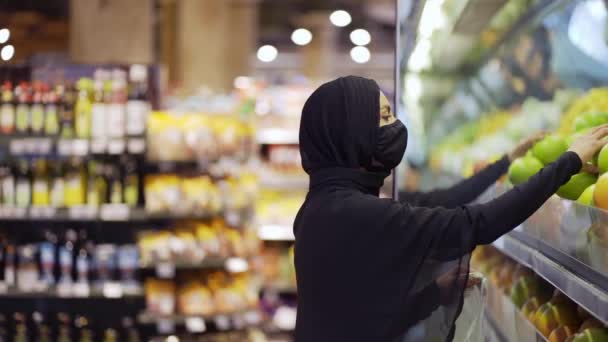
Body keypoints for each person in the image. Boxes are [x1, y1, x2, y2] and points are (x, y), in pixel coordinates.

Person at [294, 75, 608, 342]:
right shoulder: (350, 213)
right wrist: (568, 161)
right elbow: (476, 223)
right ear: (353, 132)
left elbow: (361, 315)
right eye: (385, 116)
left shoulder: (327, 205)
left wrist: (433, 295)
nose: (395, 126)